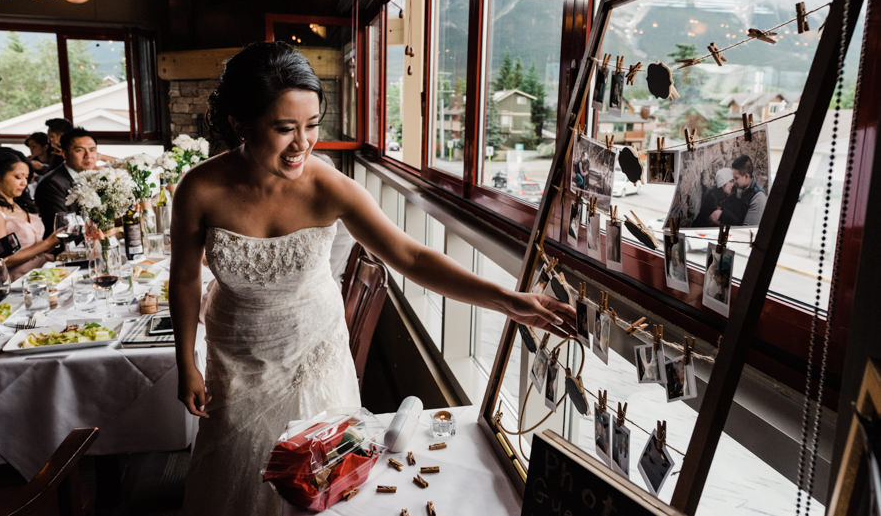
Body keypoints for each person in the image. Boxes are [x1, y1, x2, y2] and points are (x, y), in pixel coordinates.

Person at [170, 41, 573, 516]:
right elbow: (185, 280)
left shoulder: (330, 186)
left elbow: (410, 255)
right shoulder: (199, 188)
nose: (302, 143)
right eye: (284, 129)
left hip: (313, 352)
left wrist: (506, 299)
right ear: (240, 123)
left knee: (324, 476)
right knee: (236, 474)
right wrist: (186, 361)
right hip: (236, 357)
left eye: (312, 126)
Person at [0, 148, 61, 280]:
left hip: (45, 274)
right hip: (19, 284)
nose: (24, 182)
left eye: (26, 177)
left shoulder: (20, 204)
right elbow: (0, 262)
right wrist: (47, 243)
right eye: (18, 177)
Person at [35, 128, 99, 237]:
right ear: (64, 154)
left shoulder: (94, 177)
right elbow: (63, 228)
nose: (88, 155)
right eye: (80, 150)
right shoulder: (52, 184)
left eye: (92, 150)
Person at [731, 154, 767, 227]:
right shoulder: (738, 187)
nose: (733, 181)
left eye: (736, 178)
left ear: (746, 176)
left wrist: (722, 217)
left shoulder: (758, 198)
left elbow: (746, 229)